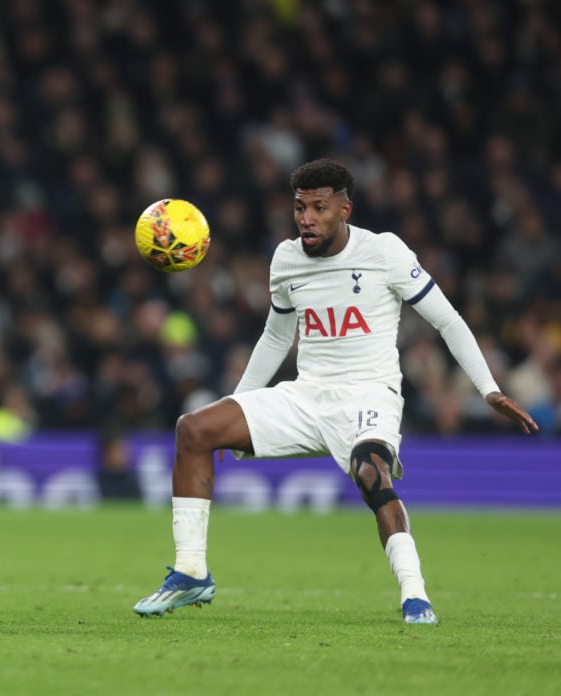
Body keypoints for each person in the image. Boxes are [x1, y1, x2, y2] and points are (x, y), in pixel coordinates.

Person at [133, 158, 539, 624]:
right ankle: (190, 572)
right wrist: (238, 402)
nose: (306, 218)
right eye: (300, 207)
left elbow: (447, 320)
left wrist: (488, 389)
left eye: (319, 207)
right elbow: (275, 336)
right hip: (306, 396)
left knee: (371, 474)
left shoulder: (385, 252)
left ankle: (415, 594)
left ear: (345, 209)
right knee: (194, 429)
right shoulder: (286, 260)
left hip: (369, 396)